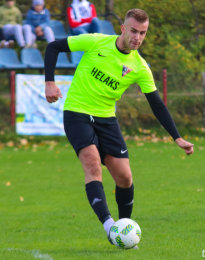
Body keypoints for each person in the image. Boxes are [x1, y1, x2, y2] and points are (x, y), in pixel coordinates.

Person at [44, 9, 194, 247]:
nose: (137, 37)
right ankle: (109, 226)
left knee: (124, 177)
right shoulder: (96, 41)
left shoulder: (140, 67)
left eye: (142, 33)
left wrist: (177, 137)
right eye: (133, 31)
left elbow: (156, 104)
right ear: (123, 28)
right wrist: (49, 82)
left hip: (107, 119)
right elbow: (53, 46)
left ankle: (124, 231)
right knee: (93, 164)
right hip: (77, 113)